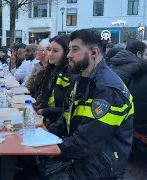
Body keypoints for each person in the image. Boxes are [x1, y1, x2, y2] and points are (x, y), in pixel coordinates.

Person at [40, 29, 134, 180]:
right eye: (70, 49)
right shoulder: (81, 80)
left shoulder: (107, 89)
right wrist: (45, 135)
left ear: (94, 53)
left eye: (75, 49)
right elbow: (65, 118)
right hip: (82, 157)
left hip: (99, 166)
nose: (69, 55)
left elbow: (85, 143)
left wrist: (49, 148)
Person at [36, 35, 71, 124]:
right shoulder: (52, 68)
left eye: (55, 51)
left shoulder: (70, 73)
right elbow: (45, 96)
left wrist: (45, 111)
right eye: (49, 50)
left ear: (66, 52)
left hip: (58, 124)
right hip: (48, 119)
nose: (50, 54)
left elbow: (68, 108)